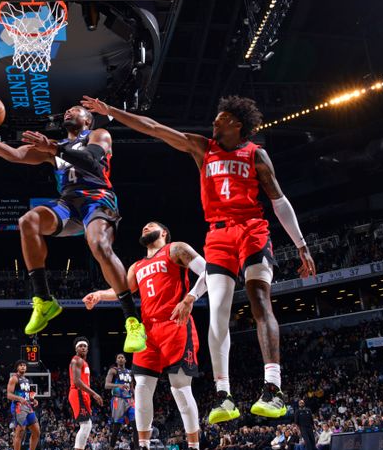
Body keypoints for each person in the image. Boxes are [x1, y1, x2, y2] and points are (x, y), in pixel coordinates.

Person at [82, 95, 317, 422]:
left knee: (259, 300)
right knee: (218, 311)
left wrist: (301, 245)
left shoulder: (256, 155)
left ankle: (272, 388)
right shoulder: (202, 147)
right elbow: (155, 128)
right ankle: (224, 395)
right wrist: (111, 112)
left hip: (252, 229)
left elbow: (279, 201)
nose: (213, 123)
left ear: (236, 123)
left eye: (220, 119)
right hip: (218, 234)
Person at [0, 106, 146, 353]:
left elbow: (92, 161)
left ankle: (132, 321)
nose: (68, 112)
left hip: (97, 198)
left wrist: (54, 148)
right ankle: (43, 300)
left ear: (88, 119)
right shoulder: (54, 145)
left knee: (97, 244)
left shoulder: (99, 135)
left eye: (76, 110)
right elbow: (15, 155)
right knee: (27, 221)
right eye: (67, 111)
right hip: (67, 203)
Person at [84, 221, 207, 450]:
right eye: (142, 226)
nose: (144, 227)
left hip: (175, 323)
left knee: (180, 389)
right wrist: (99, 294)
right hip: (147, 331)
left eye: (151, 226)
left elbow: (208, 271)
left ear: (164, 232)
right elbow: (122, 290)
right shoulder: (137, 266)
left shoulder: (175, 249)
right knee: (140, 390)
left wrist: (190, 297)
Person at [68, 336, 103, 450]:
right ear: (76, 348)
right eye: (80, 346)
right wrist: (94, 393)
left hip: (83, 394)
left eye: (85, 346)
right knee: (86, 425)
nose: (83, 348)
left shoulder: (83, 362)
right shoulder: (76, 360)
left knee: (86, 425)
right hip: (77, 392)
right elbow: (77, 381)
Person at [7, 359, 42, 450]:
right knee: (20, 432)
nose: (23, 367)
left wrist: (33, 400)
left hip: (28, 406)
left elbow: (28, 395)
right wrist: (19, 399)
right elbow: (9, 395)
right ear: (17, 367)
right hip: (18, 407)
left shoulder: (27, 380)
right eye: (20, 365)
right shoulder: (14, 378)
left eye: (24, 365)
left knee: (37, 432)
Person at [104, 353, 136, 450]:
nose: (121, 359)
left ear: (125, 360)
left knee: (135, 426)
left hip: (129, 400)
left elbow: (132, 387)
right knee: (116, 428)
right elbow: (106, 385)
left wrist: (135, 397)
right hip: (118, 400)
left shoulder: (129, 372)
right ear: (116, 360)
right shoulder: (113, 370)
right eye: (119, 357)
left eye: (122, 357)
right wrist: (118, 386)